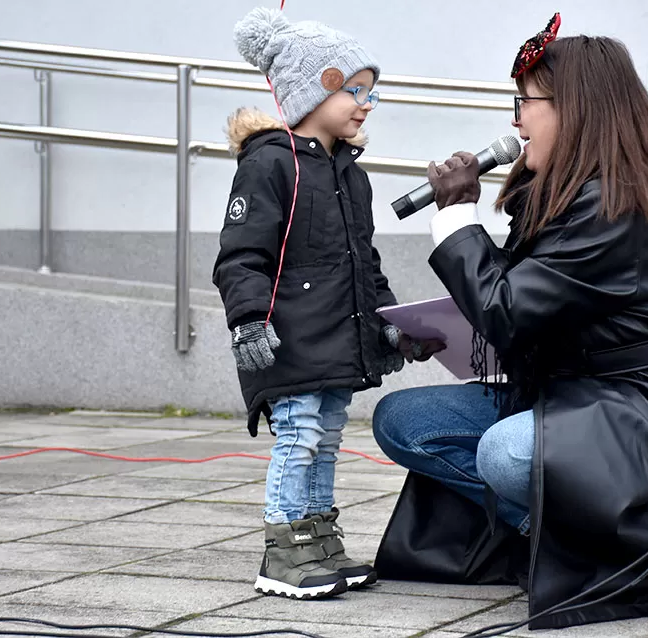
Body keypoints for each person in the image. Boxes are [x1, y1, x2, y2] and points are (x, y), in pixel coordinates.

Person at [370, 14, 648, 630]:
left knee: (506, 453)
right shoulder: (557, 196)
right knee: (402, 420)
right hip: (565, 397)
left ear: (575, 110)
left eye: (526, 103)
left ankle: (626, 558)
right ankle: (548, 533)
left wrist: (457, 217)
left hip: (644, 409)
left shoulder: (612, 207)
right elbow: (519, 304)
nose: (515, 122)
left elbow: (508, 309)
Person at [213, 6, 442, 601]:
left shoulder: (349, 174)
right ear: (313, 88)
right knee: (299, 437)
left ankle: (318, 541)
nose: (366, 104)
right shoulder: (269, 163)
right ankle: (282, 550)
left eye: (371, 92)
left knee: (328, 438)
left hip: (339, 340)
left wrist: (390, 325)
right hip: (289, 340)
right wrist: (248, 320)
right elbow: (241, 255)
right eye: (354, 90)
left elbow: (364, 263)